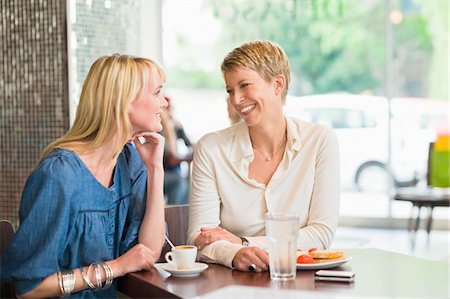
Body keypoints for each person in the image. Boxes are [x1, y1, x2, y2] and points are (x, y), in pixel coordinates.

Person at [1, 54, 168, 298]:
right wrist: (115, 267)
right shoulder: (58, 174)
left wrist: (155, 169)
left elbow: (148, 252)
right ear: (124, 102)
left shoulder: (130, 161)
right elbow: (29, 288)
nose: (164, 102)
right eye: (157, 92)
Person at [187, 40, 340, 272]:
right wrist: (234, 254)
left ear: (278, 84)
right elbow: (199, 238)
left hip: (301, 283)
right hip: (230, 284)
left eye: (245, 85)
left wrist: (241, 244)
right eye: (230, 90)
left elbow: (320, 234)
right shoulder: (211, 148)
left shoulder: (319, 140)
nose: (236, 100)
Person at [160, 96, 193, 205]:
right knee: (179, 181)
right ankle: (174, 216)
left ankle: (184, 216)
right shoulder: (158, 129)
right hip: (163, 172)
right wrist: (167, 128)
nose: (168, 111)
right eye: (166, 109)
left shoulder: (177, 126)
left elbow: (189, 144)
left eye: (170, 108)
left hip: (175, 171)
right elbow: (170, 158)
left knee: (190, 182)